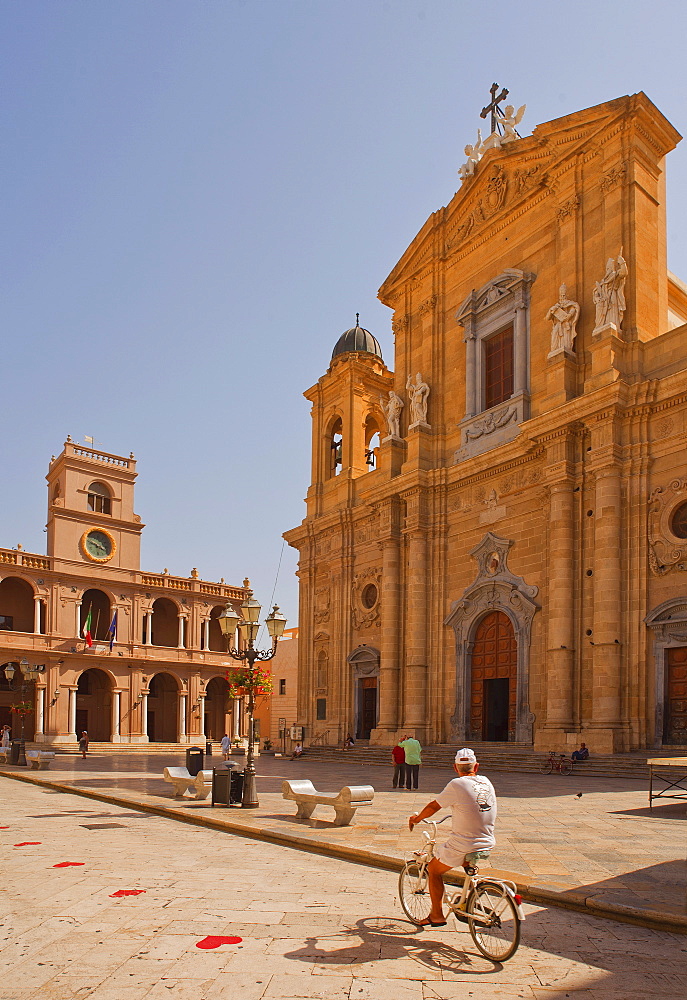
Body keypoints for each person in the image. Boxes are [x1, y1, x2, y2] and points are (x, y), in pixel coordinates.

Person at [408, 748, 497, 927]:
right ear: (476, 767)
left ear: (455, 768)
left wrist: (417, 819)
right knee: (463, 861)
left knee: (433, 870)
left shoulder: (457, 784)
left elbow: (434, 806)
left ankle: (437, 915)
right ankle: (465, 901)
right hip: (488, 841)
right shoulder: (486, 781)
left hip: (464, 843)